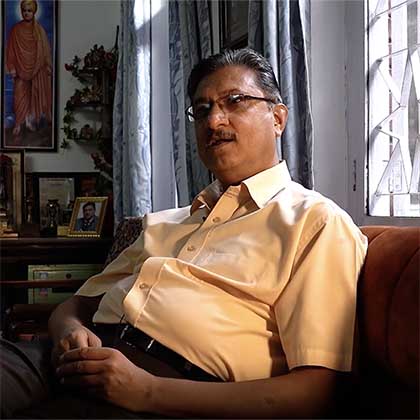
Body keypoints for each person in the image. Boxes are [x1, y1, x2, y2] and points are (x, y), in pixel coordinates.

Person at [0, 48, 368, 419]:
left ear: (278, 118)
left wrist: (145, 390)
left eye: (234, 101)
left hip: (164, 389)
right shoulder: (167, 222)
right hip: (60, 360)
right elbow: (77, 305)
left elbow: (315, 393)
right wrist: (68, 331)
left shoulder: (316, 223)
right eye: (203, 109)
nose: (214, 121)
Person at [5, 0, 52, 137]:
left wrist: (47, 65)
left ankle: (29, 122)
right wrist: (12, 67)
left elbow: (45, 51)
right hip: (20, 70)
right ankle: (18, 124)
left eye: (29, 10)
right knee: (19, 97)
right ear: (21, 11)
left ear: (34, 12)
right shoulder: (15, 29)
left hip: (37, 69)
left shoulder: (39, 30)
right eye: (24, 10)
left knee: (33, 96)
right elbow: (11, 51)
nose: (26, 13)